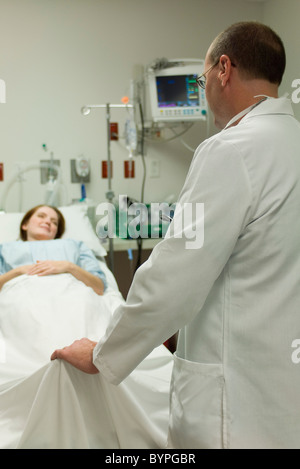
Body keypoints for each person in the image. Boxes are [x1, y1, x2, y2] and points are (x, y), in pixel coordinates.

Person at [51, 22, 300, 449]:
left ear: (224, 69)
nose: (203, 92)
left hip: (232, 406)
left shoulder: (232, 149)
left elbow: (174, 276)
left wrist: (101, 353)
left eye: (201, 80)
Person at [0, 205, 107, 295]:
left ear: (57, 231)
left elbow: (99, 287)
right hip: (20, 297)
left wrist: (69, 267)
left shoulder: (74, 245)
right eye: (41, 216)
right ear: (25, 224)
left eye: (54, 222)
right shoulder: (5, 248)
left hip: (70, 296)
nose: (47, 221)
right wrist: (18, 271)